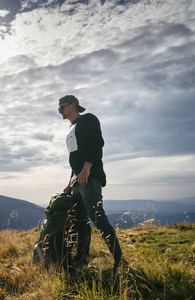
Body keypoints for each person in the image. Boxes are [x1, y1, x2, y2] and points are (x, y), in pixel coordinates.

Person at [58, 95, 127, 271]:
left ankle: (120, 261)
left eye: (62, 107)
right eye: (58, 109)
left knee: (98, 217)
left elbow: (97, 144)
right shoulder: (71, 128)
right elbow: (75, 160)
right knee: (81, 220)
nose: (60, 111)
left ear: (73, 106)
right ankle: (81, 258)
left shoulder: (88, 119)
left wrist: (87, 169)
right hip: (77, 180)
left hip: (89, 177)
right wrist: (70, 182)